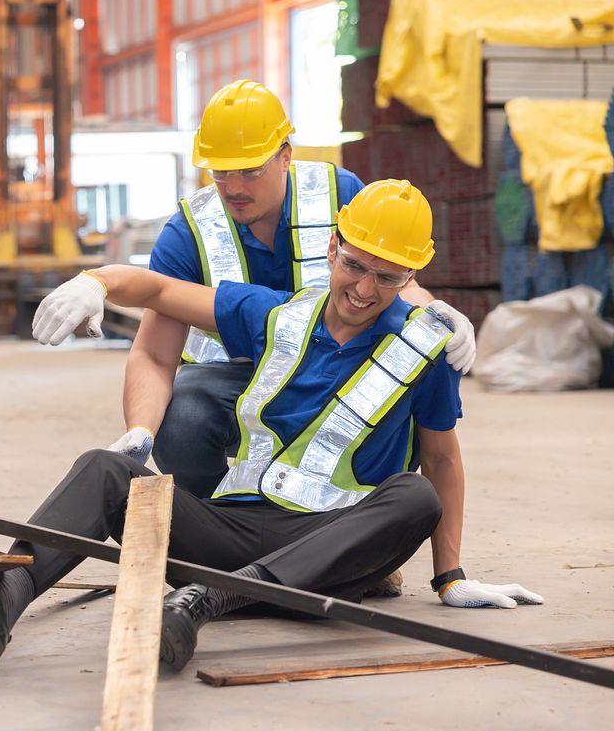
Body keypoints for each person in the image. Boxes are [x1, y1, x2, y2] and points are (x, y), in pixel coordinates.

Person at [0, 180, 541, 677]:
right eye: (355, 265)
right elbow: (158, 289)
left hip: (326, 557)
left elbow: (443, 463)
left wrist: (450, 577)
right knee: (107, 467)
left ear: (410, 279)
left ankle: (205, 604)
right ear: (332, 250)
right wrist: (95, 281)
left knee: (413, 496)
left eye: (388, 276)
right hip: (232, 527)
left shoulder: (424, 349)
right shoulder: (275, 316)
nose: (365, 288)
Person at [115, 79, 476, 499]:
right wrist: (139, 431)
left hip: (337, 377)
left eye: (250, 170)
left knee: (400, 385)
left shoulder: (339, 194)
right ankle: (223, 522)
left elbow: (390, 275)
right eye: (220, 172)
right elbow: (155, 353)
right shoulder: (187, 234)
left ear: (285, 156)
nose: (233, 187)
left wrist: (435, 312)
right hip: (235, 384)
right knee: (183, 410)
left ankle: (362, 517)